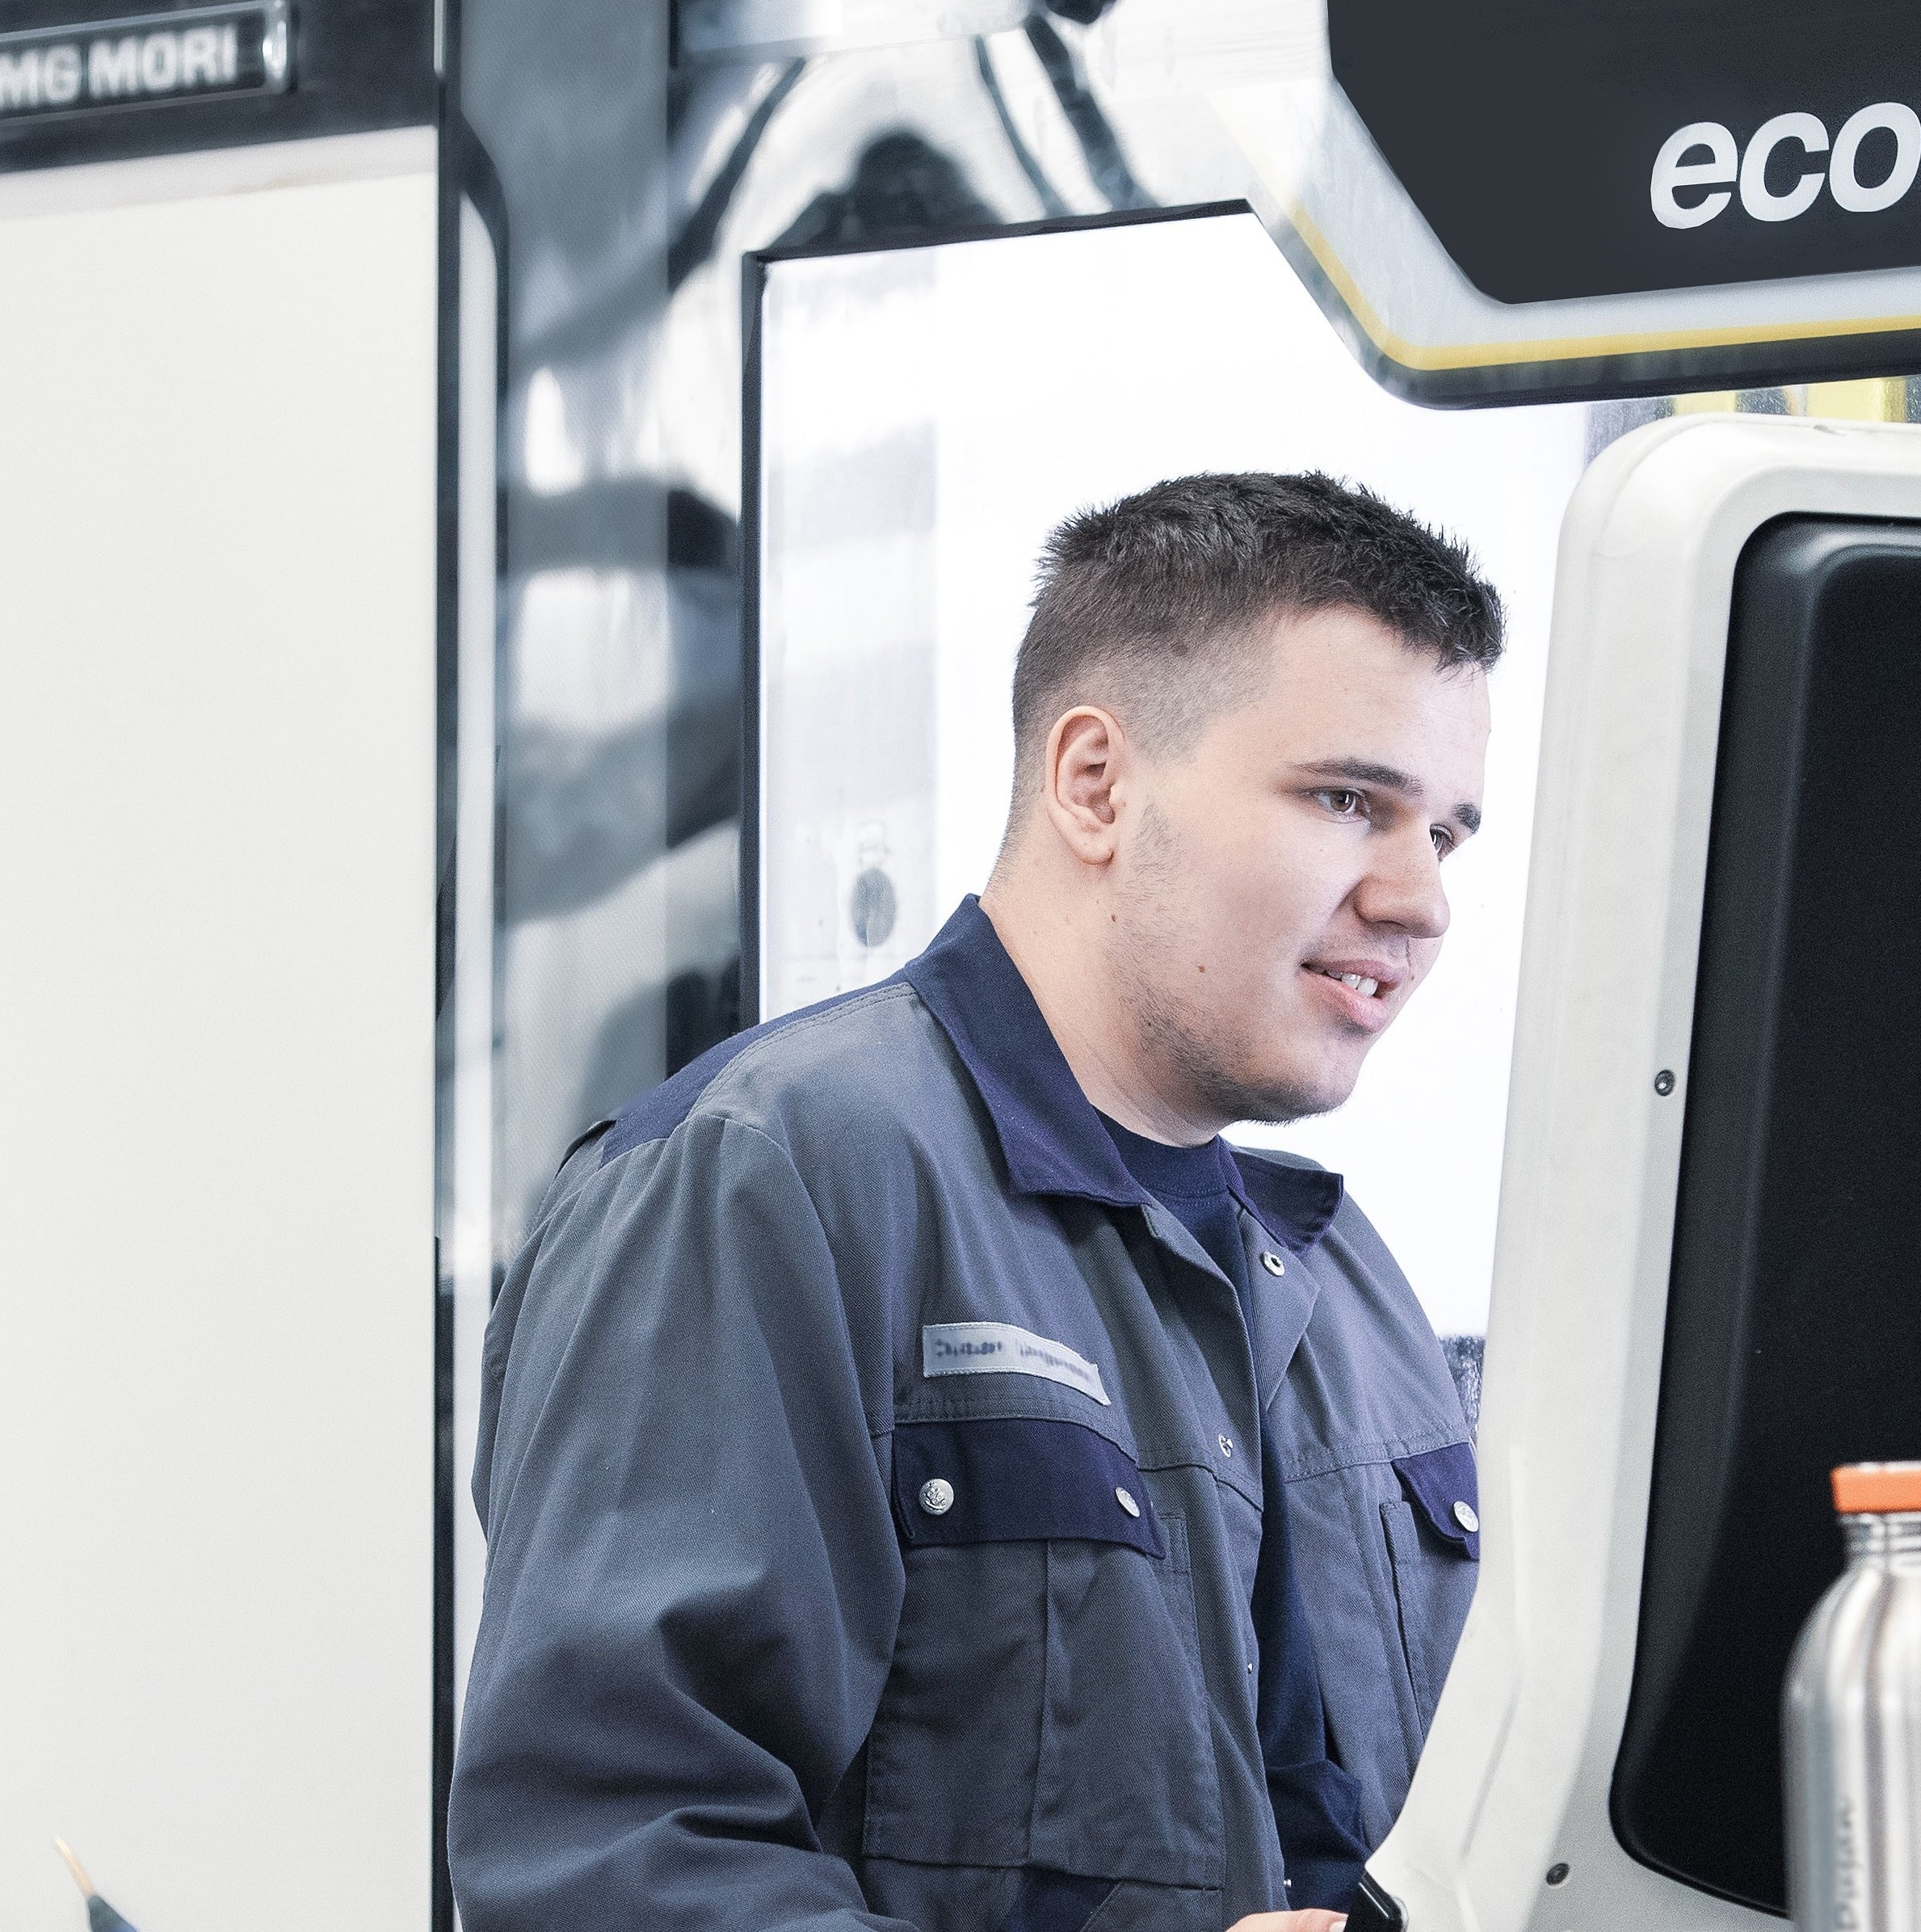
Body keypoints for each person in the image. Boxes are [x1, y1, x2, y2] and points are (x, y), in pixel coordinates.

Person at [452, 473, 1503, 1932]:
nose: (1420, 901)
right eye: (1347, 801)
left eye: (1446, 833)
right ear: (1095, 783)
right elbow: (612, 1870)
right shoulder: (774, 1182)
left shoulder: (1348, 1288)